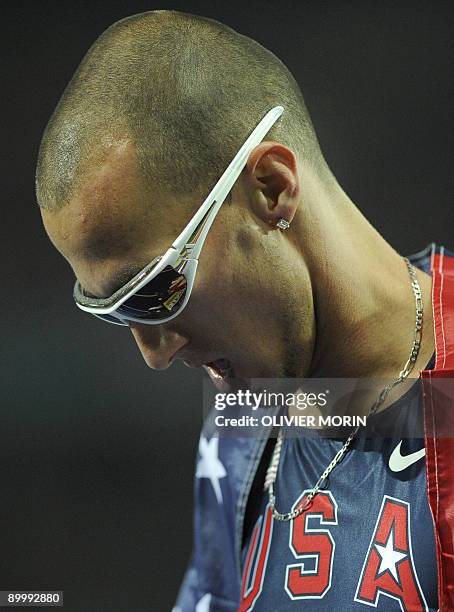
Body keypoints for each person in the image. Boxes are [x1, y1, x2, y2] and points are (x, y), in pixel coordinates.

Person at [36, 10, 454, 611]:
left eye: (156, 291)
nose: (154, 353)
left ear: (272, 188)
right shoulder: (241, 424)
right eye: (114, 314)